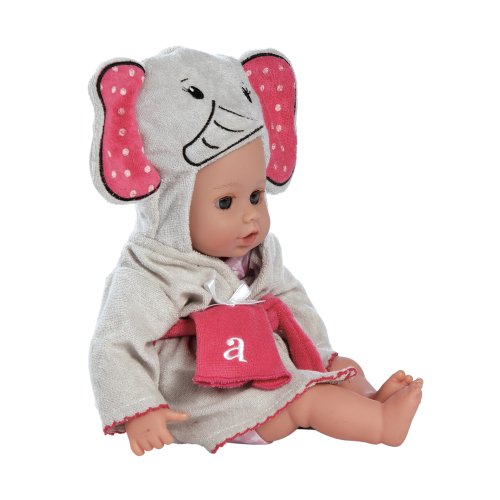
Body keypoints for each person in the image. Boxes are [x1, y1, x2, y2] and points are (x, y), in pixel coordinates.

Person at [88, 47, 422, 455]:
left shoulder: (257, 255)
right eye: (225, 203)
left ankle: (367, 400)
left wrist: (318, 356)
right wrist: (141, 408)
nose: (250, 217)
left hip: (263, 359)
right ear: (172, 204)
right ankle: (382, 425)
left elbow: (292, 302)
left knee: (340, 366)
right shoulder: (152, 273)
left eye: (255, 196)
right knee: (306, 400)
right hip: (206, 393)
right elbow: (115, 343)